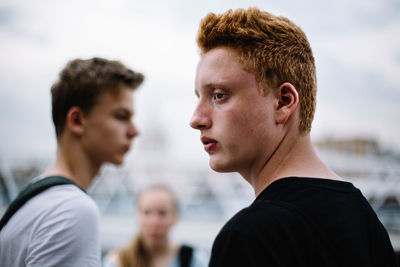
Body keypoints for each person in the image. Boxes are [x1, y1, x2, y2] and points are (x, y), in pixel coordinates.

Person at [190, 7, 397, 267]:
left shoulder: (251, 238)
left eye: (219, 95)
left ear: (283, 102)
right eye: (199, 97)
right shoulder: (363, 217)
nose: (196, 119)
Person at [0, 57, 144, 266]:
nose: (134, 131)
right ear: (77, 120)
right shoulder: (73, 210)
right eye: (121, 116)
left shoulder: (36, 198)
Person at [103, 184, 208, 267]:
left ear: (176, 217)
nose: (154, 222)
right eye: (147, 212)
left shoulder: (194, 259)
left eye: (162, 213)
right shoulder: (117, 261)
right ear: (137, 215)